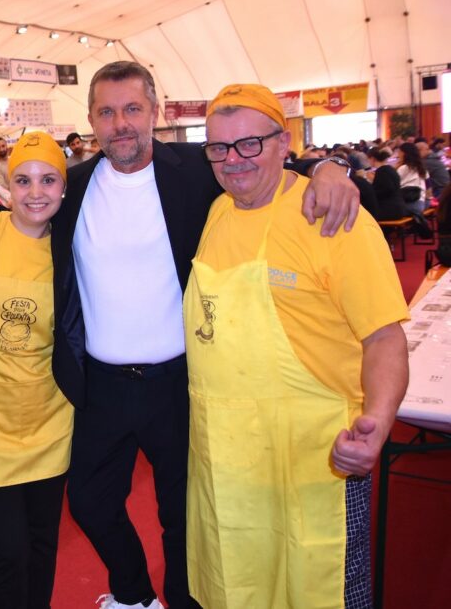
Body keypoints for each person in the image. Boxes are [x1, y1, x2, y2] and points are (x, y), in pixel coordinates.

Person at [49, 61, 358, 609]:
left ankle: (185, 601)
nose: (120, 123)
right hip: (101, 385)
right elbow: (21, 218)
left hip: (181, 381)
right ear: (91, 119)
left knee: (185, 512)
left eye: (132, 109)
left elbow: (272, 160)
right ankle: (134, 593)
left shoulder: (197, 167)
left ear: (156, 112)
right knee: (91, 501)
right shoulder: (71, 188)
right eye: (106, 112)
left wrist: (332, 167)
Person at [184, 84, 408, 609]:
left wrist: (377, 423)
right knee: (237, 587)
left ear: (284, 143)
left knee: (320, 589)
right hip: (228, 463)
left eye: (250, 144)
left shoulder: (332, 219)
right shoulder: (216, 212)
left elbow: (384, 337)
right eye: (219, 148)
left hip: (316, 460)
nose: (233, 161)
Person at [0, 131, 74, 608]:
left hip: (50, 420)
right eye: (23, 180)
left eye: (48, 180)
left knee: (43, 544)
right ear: (8, 184)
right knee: (6, 549)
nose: (36, 192)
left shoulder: (72, 249)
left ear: (64, 188)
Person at [367, 148, 408, 221]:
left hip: (390, 209)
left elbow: (385, 190)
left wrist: (370, 187)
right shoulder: (390, 169)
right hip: (399, 208)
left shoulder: (382, 171)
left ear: (372, 159)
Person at [396, 142, 428, 216]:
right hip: (421, 203)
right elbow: (428, 187)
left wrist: (395, 168)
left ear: (404, 153)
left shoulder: (403, 168)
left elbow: (394, 185)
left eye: (399, 152)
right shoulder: (422, 168)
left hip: (409, 203)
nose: (398, 155)